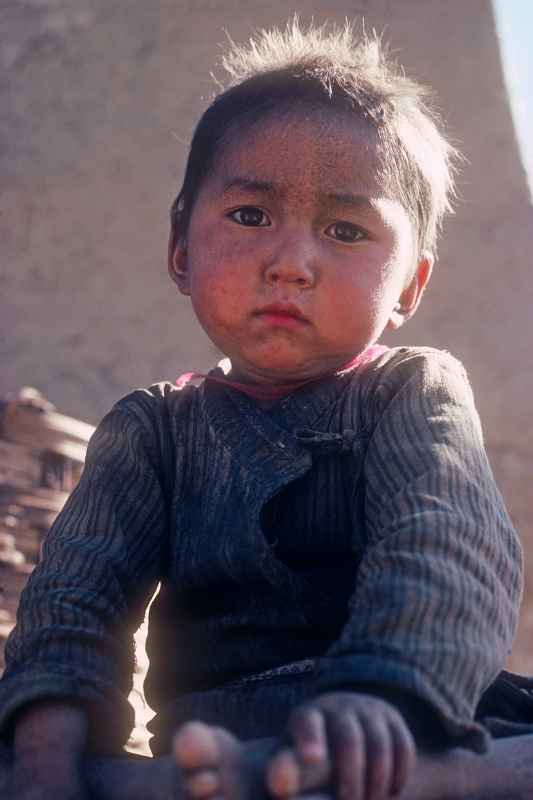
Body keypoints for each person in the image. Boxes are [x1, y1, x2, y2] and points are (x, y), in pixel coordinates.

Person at [0, 18, 530, 800]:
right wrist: (46, 746)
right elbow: (77, 594)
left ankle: (365, 774)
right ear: (181, 249)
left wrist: (381, 695)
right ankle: (263, 774)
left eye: (345, 230)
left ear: (409, 288)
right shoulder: (152, 428)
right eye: (250, 217)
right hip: (216, 729)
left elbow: (442, 548)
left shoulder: (411, 389)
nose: (291, 264)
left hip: (413, 716)